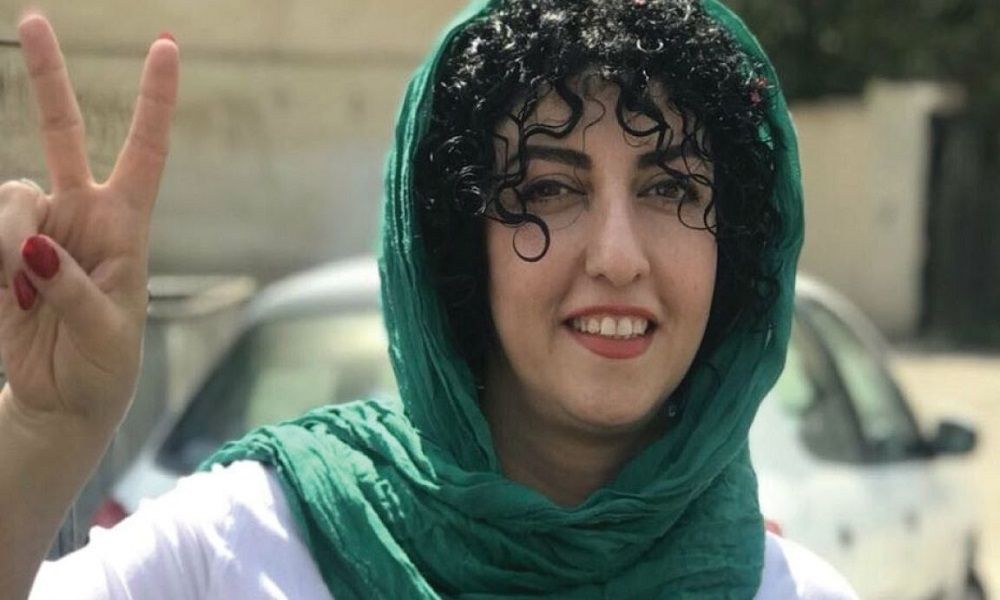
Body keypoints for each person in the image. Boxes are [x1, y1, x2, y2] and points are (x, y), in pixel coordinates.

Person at [0, 1, 860, 598]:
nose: (617, 256)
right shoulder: (242, 547)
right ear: (455, 242)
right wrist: (43, 432)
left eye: (671, 189)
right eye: (550, 189)